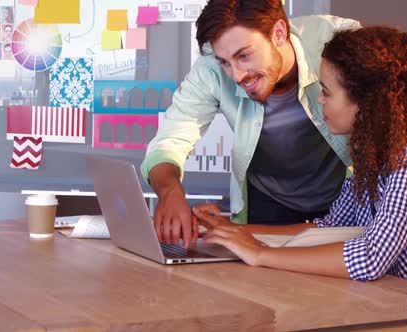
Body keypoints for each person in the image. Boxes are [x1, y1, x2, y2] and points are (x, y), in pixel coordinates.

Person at [193, 26, 407, 331]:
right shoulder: (376, 152)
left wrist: (260, 253)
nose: (320, 101)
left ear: (368, 101)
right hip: (390, 302)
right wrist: (232, 231)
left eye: (327, 91)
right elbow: (329, 229)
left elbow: (370, 256)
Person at [141, 0, 362, 247]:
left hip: (344, 200)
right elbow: (170, 140)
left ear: (279, 33)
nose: (236, 75)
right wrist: (170, 191)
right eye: (224, 61)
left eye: (244, 56)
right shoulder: (210, 70)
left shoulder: (338, 43)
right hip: (267, 203)